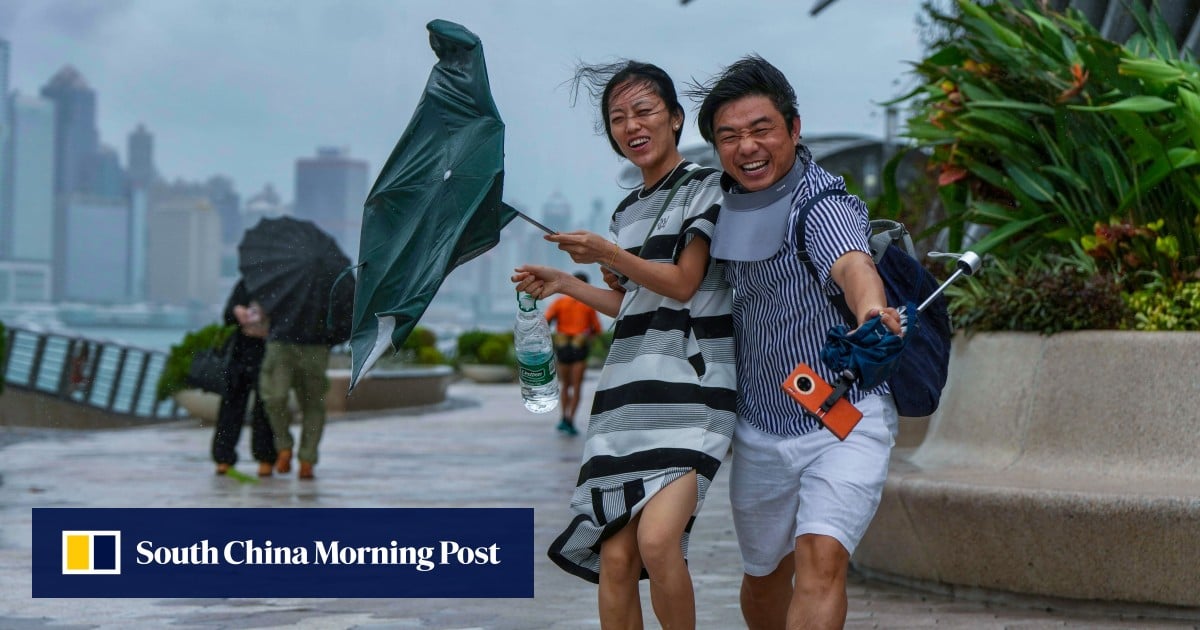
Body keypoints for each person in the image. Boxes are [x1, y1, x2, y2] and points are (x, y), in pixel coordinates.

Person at [512, 60, 735, 629]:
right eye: (617, 117)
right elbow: (636, 305)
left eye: (644, 111)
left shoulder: (707, 187)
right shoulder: (627, 212)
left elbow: (683, 283)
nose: (630, 125)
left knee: (658, 543)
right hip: (626, 401)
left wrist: (608, 255)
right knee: (615, 556)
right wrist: (566, 283)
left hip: (696, 392)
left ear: (676, 118)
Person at [694, 55, 904, 630]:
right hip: (761, 425)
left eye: (761, 129)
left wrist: (870, 311)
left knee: (820, 561)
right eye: (729, 136)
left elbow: (851, 262)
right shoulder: (716, 207)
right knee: (764, 575)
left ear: (794, 128)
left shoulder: (822, 201)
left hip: (844, 416)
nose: (747, 147)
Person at [212, 280, 276, 477]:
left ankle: (265, 458)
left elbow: (291, 321)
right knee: (231, 406)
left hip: (269, 353)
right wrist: (236, 311)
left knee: (264, 408)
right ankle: (224, 457)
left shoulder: (283, 287)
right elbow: (227, 315)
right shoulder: (246, 284)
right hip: (240, 353)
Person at [543, 271, 603, 436]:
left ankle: (563, 417)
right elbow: (596, 330)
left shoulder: (560, 302)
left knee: (565, 385)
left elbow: (546, 321)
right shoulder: (588, 306)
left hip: (562, 345)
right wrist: (586, 337)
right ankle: (571, 419)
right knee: (576, 386)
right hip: (579, 345)